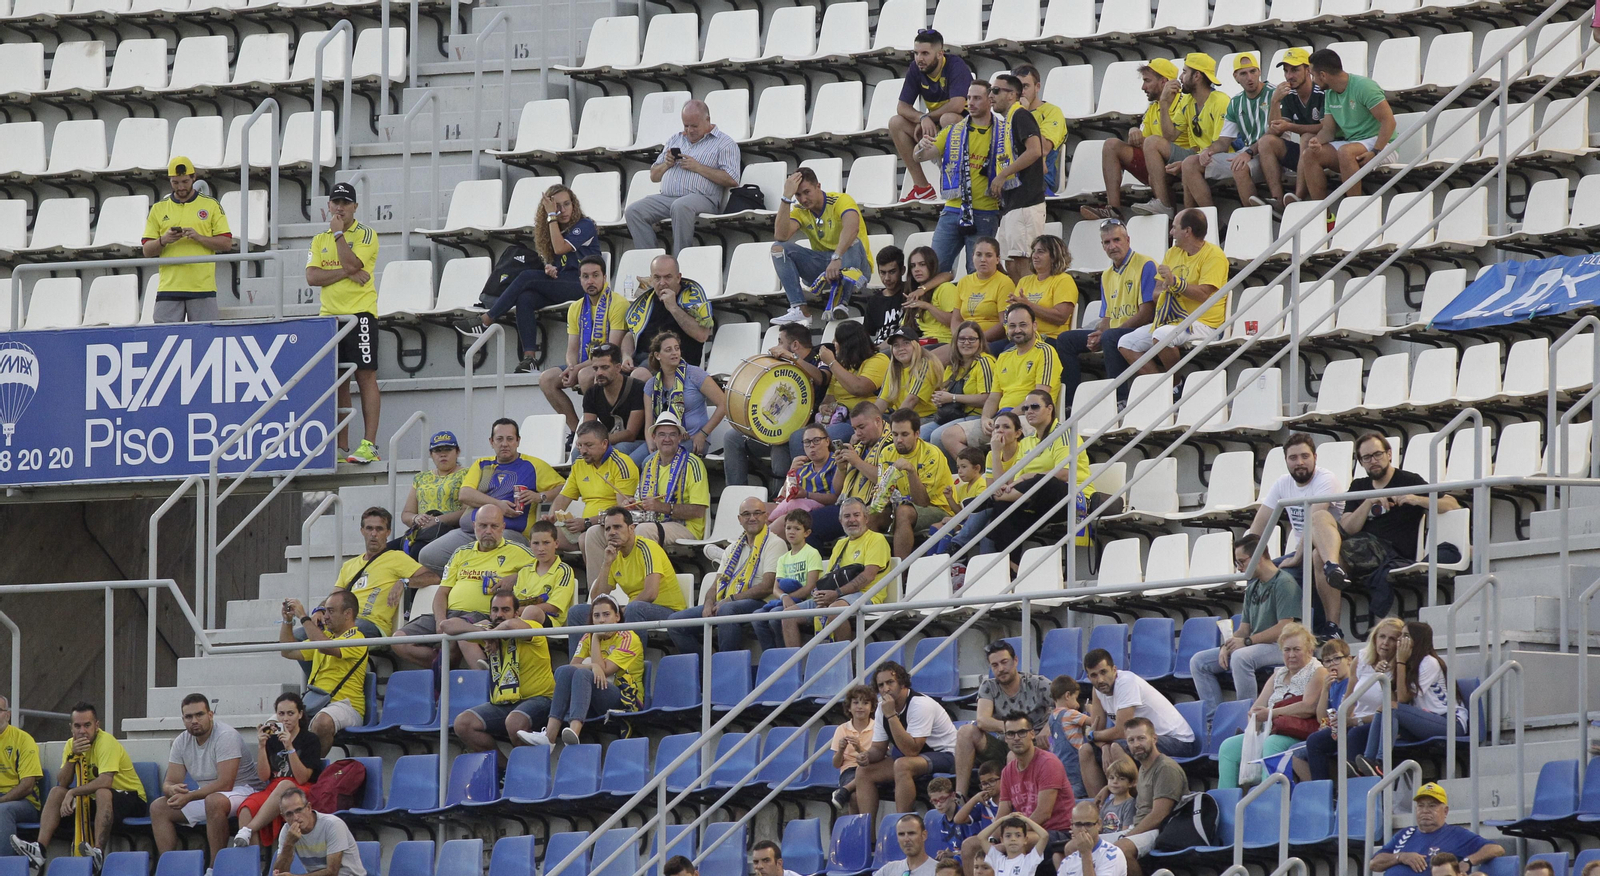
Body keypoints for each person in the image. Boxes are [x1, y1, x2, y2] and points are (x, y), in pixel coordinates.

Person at [1314, 431, 1458, 637]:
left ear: (1389, 454)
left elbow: (1452, 504)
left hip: (1391, 552)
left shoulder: (1408, 480)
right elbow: (1347, 527)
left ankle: (1331, 613)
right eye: (1366, 457)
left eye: (1377, 454)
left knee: (1317, 555)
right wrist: (1368, 502)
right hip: (1359, 547)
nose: (1373, 461)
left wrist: (1416, 499)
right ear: (1360, 462)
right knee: (1319, 518)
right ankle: (1333, 616)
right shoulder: (1359, 486)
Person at [477, 183, 601, 369]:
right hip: (565, 283)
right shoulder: (554, 230)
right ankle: (530, 359)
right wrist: (551, 268)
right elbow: (561, 261)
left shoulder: (585, 225)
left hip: (585, 284)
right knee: (525, 297)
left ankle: (486, 320)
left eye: (567, 204)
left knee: (527, 277)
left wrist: (551, 216)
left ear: (574, 205)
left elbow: (560, 248)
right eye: (557, 206)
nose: (563, 210)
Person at [393, 506, 534, 668]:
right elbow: (442, 592)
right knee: (399, 640)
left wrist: (516, 577)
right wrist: (440, 620)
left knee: (457, 631)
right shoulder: (461, 553)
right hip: (449, 615)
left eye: (494, 526)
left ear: (503, 527)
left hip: (481, 616)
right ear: (474, 526)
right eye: (483, 526)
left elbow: (545, 568)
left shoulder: (518, 551)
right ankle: (444, 665)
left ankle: (447, 671)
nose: (488, 531)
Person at [10, 703, 146, 871]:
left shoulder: (106, 742)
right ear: (71, 727)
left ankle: (97, 853)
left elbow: (105, 781)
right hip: (96, 802)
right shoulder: (71, 745)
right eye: (77, 726)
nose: (82, 731)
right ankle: (40, 849)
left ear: (97, 725)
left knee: (102, 792)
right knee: (57, 792)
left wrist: (73, 793)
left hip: (131, 798)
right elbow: (63, 782)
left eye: (87, 725)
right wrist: (72, 756)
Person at [418, 419, 564, 573]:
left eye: (510, 439)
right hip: (470, 532)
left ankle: (477, 576)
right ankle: (470, 576)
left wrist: (540, 497)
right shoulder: (482, 464)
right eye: (499, 439)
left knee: (495, 555)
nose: (504, 444)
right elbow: (465, 494)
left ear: (518, 441)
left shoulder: (533, 465)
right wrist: (498, 505)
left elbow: (564, 487)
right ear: (491, 442)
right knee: (428, 556)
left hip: (509, 533)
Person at [1189, 533, 1300, 726]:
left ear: (1259, 557)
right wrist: (1227, 646)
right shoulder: (1253, 587)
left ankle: (1247, 721)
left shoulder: (1284, 583)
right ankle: (1215, 723)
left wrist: (1246, 642)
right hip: (1256, 645)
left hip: (1282, 646)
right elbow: (1244, 628)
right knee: (1199, 662)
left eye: (1241, 561)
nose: (1239, 568)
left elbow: (1285, 628)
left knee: (1241, 657)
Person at [306, 182, 382, 464]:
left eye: (345, 203)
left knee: (365, 376)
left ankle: (370, 445)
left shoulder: (366, 234)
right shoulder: (318, 239)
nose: (340, 208)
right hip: (329, 317)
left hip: (360, 314)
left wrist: (339, 235)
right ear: (328, 205)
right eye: (336, 202)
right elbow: (312, 277)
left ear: (355, 207)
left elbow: (352, 265)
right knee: (338, 381)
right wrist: (347, 273)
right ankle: (341, 446)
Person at [582, 413, 709, 573]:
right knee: (594, 533)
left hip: (685, 527)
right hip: (651, 522)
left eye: (672, 434)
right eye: (662, 434)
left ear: (679, 438)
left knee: (642, 530)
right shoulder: (649, 463)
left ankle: (639, 583)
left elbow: (698, 511)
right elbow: (642, 502)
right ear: (654, 437)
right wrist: (632, 505)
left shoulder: (693, 464)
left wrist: (662, 507)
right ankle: (600, 588)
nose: (667, 439)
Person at [150, 694, 265, 863]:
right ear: (183, 719)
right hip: (209, 794)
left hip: (245, 790)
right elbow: (170, 781)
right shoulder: (181, 741)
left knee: (214, 801)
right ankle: (170, 866)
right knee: (158, 807)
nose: (194, 721)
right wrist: (171, 789)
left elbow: (226, 784)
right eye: (189, 717)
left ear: (210, 715)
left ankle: (214, 867)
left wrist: (189, 796)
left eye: (199, 715)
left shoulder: (226, 735)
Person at [1053, 221, 1156, 409]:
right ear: (1102, 246)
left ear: (1128, 240)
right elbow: (1107, 318)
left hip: (1141, 329)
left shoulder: (1145, 265)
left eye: (1117, 240)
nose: (1112, 246)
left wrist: (1107, 333)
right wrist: (1097, 334)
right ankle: (1070, 404)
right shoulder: (1107, 275)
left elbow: (1147, 313)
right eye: (1107, 242)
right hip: (1115, 331)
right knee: (1066, 340)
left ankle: (1118, 400)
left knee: (1110, 337)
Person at [1248, 432, 1344, 633]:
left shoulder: (1326, 479)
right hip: (1302, 551)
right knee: (1257, 573)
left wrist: (1296, 558)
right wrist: (1248, 558)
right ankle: (1261, 632)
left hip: (1331, 549)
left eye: (1305, 456)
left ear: (1315, 457)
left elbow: (1313, 525)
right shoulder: (1283, 483)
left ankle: (1324, 630)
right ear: (1286, 461)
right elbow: (1260, 523)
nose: (1299, 462)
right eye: (1293, 458)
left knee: (1298, 570)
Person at [1117, 208, 1228, 376]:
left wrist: (1175, 283)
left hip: (1204, 323)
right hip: (1172, 320)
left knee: (1161, 336)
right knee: (1126, 343)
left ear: (1187, 231)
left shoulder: (1214, 255)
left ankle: (1175, 382)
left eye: (1174, 227)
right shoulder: (1172, 253)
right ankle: (1160, 385)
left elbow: (1203, 294)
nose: (1171, 232)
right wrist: (1168, 289)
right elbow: (1156, 293)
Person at [1216, 623, 1326, 788]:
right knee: (1228, 747)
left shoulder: (1317, 671)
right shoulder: (1278, 674)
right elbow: (1257, 706)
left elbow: (1308, 707)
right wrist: (1254, 720)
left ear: (1309, 650)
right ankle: (1227, 801)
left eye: (1297, 649)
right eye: (1287, 650)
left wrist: (1270, 713)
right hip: (1270, 729)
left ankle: (1271, 798)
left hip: (1298, 731)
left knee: (1271, 743)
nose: (1291, 655)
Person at [668, 495, 783, 654]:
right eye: (746, 514)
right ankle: (703, 667)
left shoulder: (775, 543)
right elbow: (716, 584)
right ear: (739, 519)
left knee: (727, 609)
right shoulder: (732, 548)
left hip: (761, 602)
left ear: (766, 516)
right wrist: (708, 603)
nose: (752, 518)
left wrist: (731, 599)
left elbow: (767, 587)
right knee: (675, 623)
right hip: (728, 601)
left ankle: (727, 665)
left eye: (757, 513)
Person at [524, 594, 644, 745]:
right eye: (596, 616)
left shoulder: (628, 637)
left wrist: (596, 639)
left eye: (606, 614)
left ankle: (574, 732)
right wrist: (592, 665)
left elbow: (605, 670)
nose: (601, 620)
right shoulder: (588, 636)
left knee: (583, 674)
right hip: (595, 694)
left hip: (625, 699)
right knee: (563, 671)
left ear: (617, 617)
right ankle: (550, 736)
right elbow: (571, 666)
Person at [625, 100, 741, 254]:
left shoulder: (724, 143)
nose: (689, 130)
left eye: (694, 126)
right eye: (686, 125)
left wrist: (698, 167)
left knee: (680, 206)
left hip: (704, 198)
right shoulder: (675, 139)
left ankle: (681, 259)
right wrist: (666, 164)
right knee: (633, 211)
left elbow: (732, 179)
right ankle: (651, 261)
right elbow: (654, 176)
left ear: (707, 120)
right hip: (667, 197)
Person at [722, 322, 832, 485]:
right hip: (776, 427)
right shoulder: (782, 362)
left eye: (780, 341)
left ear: (795, 345)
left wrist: (793, 358)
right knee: (732, 438)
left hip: (802, 431)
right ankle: (736, 492)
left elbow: (822, 378)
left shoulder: (819, 357)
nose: (777, 346)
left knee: (780, 446)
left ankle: (779, 497)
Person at [959, 714, 1074, 868]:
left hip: (1057, 832)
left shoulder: (1048, 763)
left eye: (1022, 732)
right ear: (1005, 738)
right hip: (1024, 832)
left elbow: (1043, 813)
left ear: (1032, 734)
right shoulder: (1007, 772)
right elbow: (1002, 815)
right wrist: (993, 839)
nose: (1016, 738)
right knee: (969, 846)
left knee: (1013, 845)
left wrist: (1012, 835)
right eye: (1011, 734)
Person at [315, 508, 437, 653]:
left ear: (388, 532)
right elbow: (333, 596)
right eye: (369, 528)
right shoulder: (349, 565)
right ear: (362, 531)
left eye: (379, 529)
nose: (373, 534)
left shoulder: (396, 557)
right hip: (343, 622)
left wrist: (404, 582)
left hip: (372, 625)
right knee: (302, 635)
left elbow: (434, 577)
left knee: (340, 635)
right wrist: (320, 610)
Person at [851, 662, 959, 822]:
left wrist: (891, 715)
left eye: (890, 682)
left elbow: (912, 750)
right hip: (917, 757)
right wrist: (866, 756)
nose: (885, 689)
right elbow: (878, 749)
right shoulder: (882, 708)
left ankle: (903, 824)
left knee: (902, 765)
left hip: (947, 755)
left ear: (902, 683)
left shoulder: (920, 704)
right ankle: (868, 834)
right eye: (881, 685)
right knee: (864, 772)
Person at [1079, 649, 1197, 795]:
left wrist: (1093, 735)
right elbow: (1098, 729)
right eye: (1094, 675)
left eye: (1104, 672)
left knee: (1117, 747)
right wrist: (1103, 746)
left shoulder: (1126, 683)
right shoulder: (1097, 690)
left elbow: (1121, 732)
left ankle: (1138, 800)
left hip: (1177, 741)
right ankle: (1097, 807)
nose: (1100, 680)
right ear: (1088, 677)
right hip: (1140, 738)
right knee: (1086, 751)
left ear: (1114, 670)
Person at [567, 507, 689, 646]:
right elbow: (596, 598)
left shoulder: (647, 548)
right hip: (634, 608)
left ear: (631, 528)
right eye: (608, 529)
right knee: (576, 612)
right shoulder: (614, 555)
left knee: (634, 609)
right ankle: (579, 659)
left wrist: (621, 611)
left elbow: (650, 593)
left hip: (668, 611)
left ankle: (632, 658)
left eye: (617, 527)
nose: (612, 532)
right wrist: (606, 563)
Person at [1358, 622, 1467, 774]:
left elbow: (1402, 700)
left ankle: (1382, 763)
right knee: (1383, 709)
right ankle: (1368, 761)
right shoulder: (1409, 663)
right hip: (1426, 720)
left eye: (1406, 636)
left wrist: (1400, 661)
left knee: (1391, 708)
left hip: (1450, 722)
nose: (1400, 640)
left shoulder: (1429, 662)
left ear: (1417, 640)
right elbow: (1394, 701)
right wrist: (1382, 678)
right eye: (1400, 636)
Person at [452, 589, 553, 753]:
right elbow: (447, 625)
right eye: (495, 610)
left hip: (540, 699)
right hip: (504, 703)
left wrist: (492, 634)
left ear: (517, 613)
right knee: (463, 724)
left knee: (514, 723)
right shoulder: (488, 632)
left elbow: (511, 625)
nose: (499, 614)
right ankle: (503, 767)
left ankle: (528, 767)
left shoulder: (531, 626)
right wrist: (484, 633)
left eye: (505, 610)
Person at [1079, 59, 1181, 222]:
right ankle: (1113, 209)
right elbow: (1144, 142)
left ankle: (1167, 212)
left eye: (1147, 81)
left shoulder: (1184, 103)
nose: (1143, 87)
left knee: (1154, 160)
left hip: (1179, 165)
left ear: (1164, 82)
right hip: (1157, 165)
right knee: (1111, 145)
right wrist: (1134, 132)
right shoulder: (1152, 108)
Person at [914, 82, 999, 277]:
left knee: (978, 273)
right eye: (968, 98)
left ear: (989, 100)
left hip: (985, 210)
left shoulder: (1002, 132)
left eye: (977, 98)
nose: (970, 103)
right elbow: (920, 156)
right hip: (953, 209)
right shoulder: (954, 131)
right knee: (933, 269)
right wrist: (921, 146)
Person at [771, 168, 874, 325]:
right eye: (798, 195)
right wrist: (786, 197)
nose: (803, 199)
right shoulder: (800, 211)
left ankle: (841, 302)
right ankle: (800, 309)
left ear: (818, 186)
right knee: (778, 248)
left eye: (807, 192)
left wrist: (837, 257)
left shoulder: (840, 200)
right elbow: (780, 236)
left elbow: (852, 228)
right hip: (825, 270)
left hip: (855, 266)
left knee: (853, 241)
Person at [955, 641, 1053, 802]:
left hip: (1033, 743)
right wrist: (1012, 730)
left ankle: (1017, 803)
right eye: (995, 665)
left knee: (1014, 755)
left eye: (1004, 662)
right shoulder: (989, 686)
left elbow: (1068, 704)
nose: (1000, 668)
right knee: (966, 732)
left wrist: (1049, 726)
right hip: (1004, 742)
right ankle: (960, 797)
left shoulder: (1037, 683)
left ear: (1015, 660)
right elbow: (982, 720)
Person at [1133, 53, 1229, 217]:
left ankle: (1210, 221)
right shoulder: (1188, 101)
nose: (1180, 77)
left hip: (1221, 156)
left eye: (1184, 72)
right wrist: (1164, 103)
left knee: (1188, 165)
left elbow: (1221, 145)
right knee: (1154, 145)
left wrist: (1188, 161)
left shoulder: (1220, 101)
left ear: (1197, 76)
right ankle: (1171, 210)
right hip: (1198, 156)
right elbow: (1170, 136)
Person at [142, 155, 234, 323]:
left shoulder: (211, 205)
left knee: (204, 337)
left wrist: (198, 237)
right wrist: (164, 240)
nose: (181, 187)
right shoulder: (158, 208)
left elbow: (227, 243)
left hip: (202, 287)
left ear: (194, 178)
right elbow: (147, 251)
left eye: (185, 181)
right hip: (169, 287)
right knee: (165, 336)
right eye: (175, 182)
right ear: (170, 180)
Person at [539, 257, 628, 430]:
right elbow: (572, 349)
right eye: (585, 277)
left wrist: (577, 369)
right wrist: (571, 367)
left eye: (595, 275)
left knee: (585, 375)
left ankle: (602, 428)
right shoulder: (576, 308)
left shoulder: (618, 304)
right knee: (546, 379)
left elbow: (611, 350)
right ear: (580, 279)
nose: (590, 281)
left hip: (610, 363)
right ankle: (577, 432)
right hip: (583, 363)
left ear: (605, 277)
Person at [1299, 48, 1396, 200]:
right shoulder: (1329, 93)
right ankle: (1322, 212)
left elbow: (1389, 122)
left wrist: (1375, 152)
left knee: (1345, 152)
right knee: (1310, 154)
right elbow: (1328, 130)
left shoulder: (1364, 86)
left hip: (1383, 143)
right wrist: (1317, 141)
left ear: (1323, 75)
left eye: (1313, 75)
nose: (1313, 81)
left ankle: (1353, 209)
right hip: (1353, 143)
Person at [230, 693, 323, 850]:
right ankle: (251, 861)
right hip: (274, 788)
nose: (285, 719)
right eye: (281, 714)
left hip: (302, 789)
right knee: (246, 810)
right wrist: (261, 746)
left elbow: (302, 778)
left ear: (300, 714)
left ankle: (247, 830)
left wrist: (290, 748)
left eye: (290, 713)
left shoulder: (310, 739)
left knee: (286, 785)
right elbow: (264, 776)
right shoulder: (272, 740)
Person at [281, 590, 370, 752]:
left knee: (322, 722)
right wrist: (287, 621)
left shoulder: (357, 638)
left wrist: (304, 617)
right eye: (325, 611)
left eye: (331, 611)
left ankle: (313, 767)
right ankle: (284, 767)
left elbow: (325, 647)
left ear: (347, 614)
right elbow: (287, 651)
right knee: (274, 725)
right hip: (316, 702)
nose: (325, 616)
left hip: (347, 706)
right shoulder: (325, 637)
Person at [891, 29, 973, 204]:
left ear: (940, 54)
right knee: (896, 123)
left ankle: (957, 183)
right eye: (916, 53)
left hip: (964, 127)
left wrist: (929, 117)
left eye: (925, 53)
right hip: (935, 127)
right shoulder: (916, 68)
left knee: (948, 118)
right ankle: (922, 188)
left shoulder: (955, 65)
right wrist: (922, 118)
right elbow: (902, 107)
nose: (919, 58)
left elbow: (957, 105)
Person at [1294, 632, 1388, 782]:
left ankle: (1329, 786)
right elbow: (1321, 718)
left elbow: (1352, 713)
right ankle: (1322, 788)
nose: (1332, 664)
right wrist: (1325, 690)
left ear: (1349, 660)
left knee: (1312, 743)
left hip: (1352, 726)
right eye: (1327, 661)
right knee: (1298, 750)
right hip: (1338, 728)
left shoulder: (1352, 682)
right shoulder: (1331, 685)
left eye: (1337, 659)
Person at [1181, 54, 1273, 208]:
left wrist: (1248, 153)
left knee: (1239, 166)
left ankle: (1253, 215)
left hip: (1271, 155)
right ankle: (1209, 219)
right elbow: (1224, 141)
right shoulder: (1235, 102)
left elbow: (1276, 133)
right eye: (1243, 73)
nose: (1249, 78)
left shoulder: (1273, 92)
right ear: (1235, 77)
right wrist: (1208, 151)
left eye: (1253, 71)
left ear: (1259, 72)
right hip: (1246, 153)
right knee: (1190, 163)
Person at [1103, 718, 1186, 876]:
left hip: (1159, 830)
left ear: (1154, 738)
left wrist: (1128, 835)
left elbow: (1159, 815)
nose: (1136, 744)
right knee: (1079, 846)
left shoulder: (1165, 768)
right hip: (1139, 827)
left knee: (1120, 850)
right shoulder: (1143, 767)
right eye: (1131, 740)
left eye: (1141, 738)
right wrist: (1107, 789)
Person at [1367, 784, 1504, 876]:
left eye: (1432, 806)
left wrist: (1468, 861)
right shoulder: (1406, 833)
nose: (1425, 810)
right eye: (1421, 806)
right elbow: (1374, 864)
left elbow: (1496, 849)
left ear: (1445, 811)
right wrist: (1401, 857)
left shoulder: (1456, 834)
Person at [544, 420, 641, 551]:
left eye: (589, 445)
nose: (583, 451)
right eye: (580, 445)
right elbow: (563, 497)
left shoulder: (622, 464)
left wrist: (588, 522)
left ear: (604, 444)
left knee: (586, 538)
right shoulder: (579, 463)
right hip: (585, 526)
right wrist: (551, 518)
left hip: (612, 526)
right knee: (545, 536)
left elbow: (622, 511)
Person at [987, 74, 1047, 283]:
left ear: (1012, 95)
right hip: (1013, 204)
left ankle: (1027, 304)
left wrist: (1003, 175)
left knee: (1024, 262)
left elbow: (1035, 150)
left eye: (996, 91)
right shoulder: (1008, 122)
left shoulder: (1020, 116)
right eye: (990, 90)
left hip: (1026, 203)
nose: (991, 95)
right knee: (1011, 264)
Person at [873, 409, 956, 561]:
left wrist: (911, 471)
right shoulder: (886, 453)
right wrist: (879, 497)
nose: (899, 440)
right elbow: (883, 497)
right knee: (869, 514)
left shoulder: (932, 454)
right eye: (895, 434)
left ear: (917, 434)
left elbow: (922, 502)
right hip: (901, 506)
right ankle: (872, 566)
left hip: (939, 509)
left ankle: (902, 571)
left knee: (904, 512)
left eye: (904, 434)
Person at [808, 401, 891, 547]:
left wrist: (857, 462)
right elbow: (837, 491)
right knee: (804, 523)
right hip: (848, 505)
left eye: (861, 427)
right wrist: (841, 468)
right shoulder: (858, 446)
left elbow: (888, 480)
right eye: (854, 428)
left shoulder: (892, 443)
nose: (857, 433)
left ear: (878, 421)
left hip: (876, 506)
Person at [639, 330, 727, 462]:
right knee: (632, 461)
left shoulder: (695, 374)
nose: (674, 353)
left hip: (693, 439)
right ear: (657, 355)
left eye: (677, 348)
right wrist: (651, 443)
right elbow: (649, 424)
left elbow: (724, 404)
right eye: (668, 350)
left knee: (648, 462)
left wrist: (703, 434)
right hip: (661, 440)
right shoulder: (651, 385)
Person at [1254, 48, 1326, 207]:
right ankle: (1278, 200)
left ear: (1308, 70)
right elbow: (1275, 129)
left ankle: (1298, 196)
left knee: (1306, 137)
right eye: (1286, 71)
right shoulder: (1289, 94)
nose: (1289, 76)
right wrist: (1275, 101)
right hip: (1304, 153)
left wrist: (1291, 126)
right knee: (1266, 142)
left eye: (1295, 70)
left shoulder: (1321, 91)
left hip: (1325, 150)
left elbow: (1325, 127)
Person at [623, 255, 715, 369]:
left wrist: (673, 307)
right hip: (641, 360)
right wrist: (626, 356)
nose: (662, 283)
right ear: (651, 279)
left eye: (667, 277)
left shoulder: (693, 298)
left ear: (678, 277)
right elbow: (631, 334)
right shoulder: (646, 301)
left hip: (676, 366)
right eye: (657, 278)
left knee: (640, 374)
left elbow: (702, 335)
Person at [394, 431, 468, 559]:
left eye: (448, 449)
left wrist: (437, 521)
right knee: (382, 553)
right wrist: (416, 518)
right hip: (421, 532)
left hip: (450, 531)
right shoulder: (421, 478)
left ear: (457, 452)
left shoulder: (467, 474)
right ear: (431, 454)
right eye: (437, 450)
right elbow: (406, 514)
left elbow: (467, 512)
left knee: (418, 550)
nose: (443, 454)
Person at [927, 321, 995, 450]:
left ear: (980, 341)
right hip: (954, 415)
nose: (966, 343)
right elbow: (946, 393)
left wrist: (952, 398)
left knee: (937, 436)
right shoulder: (953, 365)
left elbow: (986, 398)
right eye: (962, 339)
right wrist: (940, 399)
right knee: (920, 434)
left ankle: (961, 463)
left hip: (976, 415)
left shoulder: (984, 362)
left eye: (972, 339)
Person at [991, 305, 1063, 425]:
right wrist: (985, 418)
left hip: (1030, 417)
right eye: (1012, 326)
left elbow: (1040, 396)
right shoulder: (1003, 356)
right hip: (1003, 417)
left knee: (1003, 431)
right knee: (955, 432)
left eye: (1023, 325)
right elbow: (993, 398)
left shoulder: (1045, 351)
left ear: (1034, 326)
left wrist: (1008, 417)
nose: (1017, 330)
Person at [768, 508, 828, 648]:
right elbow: (775, 588)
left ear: (807, 533)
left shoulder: (812, 553)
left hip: (807, 601)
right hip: (787, 601)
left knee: (775, 616)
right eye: (788, 528)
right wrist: (784, 597)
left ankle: (789, 655)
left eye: (797, 528)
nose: (791, 532)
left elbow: (810, 586)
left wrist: (789, 597)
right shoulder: (783, 558)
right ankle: (772, 653)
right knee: (758, 617)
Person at [270, 787, 365, 876]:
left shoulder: (332, 824)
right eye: (289, 814)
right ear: (283, 817)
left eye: (299, 810)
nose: (295, 817)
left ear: (309, 808)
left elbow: (332, 872)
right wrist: (289, 844)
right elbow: (279, 872)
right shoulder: (287, 831)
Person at [1006, 235, 1077, 349]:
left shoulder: (1064, 280)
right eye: (1034, 251)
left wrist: (1028, 305)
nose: (1035, 256)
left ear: (1054, 256)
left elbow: (1060, 317)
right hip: (1022, 337)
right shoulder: (1024, 281)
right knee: (991, 349)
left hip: (1050, 339)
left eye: (1041, 252)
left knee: (1007, 350)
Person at [581, 343, 648, 461]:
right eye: (595, 368)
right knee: (578, 452)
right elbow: (588, 428)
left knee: (619, 449)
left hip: (640, 443)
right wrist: (590, 442)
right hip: (607, 441)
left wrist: (598, 441)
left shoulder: (636, 388)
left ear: (618, 368)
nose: (599, 373)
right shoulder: (592, 393)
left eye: (605, 367)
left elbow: (631, 434)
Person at [765, 424, 840, 525]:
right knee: (760, 509)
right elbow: (783, 496)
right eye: (807, 442)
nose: (811, 445)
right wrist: (791, 471)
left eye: (816, 440)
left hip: (824, 512)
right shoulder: (803, 467)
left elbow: (835, 498)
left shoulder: (836, 462)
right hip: (798, 510)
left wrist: (807, 495)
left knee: (785, 517)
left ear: (827, 441)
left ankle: (767, 532)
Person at [513, 521, 580, 628]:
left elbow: (554, 607)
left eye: (546, 543)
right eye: (536, 543)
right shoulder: (524, 571)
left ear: (556, 543)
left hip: (550, 622)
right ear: (530, 544)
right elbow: (516, 601)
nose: (541, 548)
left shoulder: (564, 571)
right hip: (519, 619)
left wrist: (516, 611)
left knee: (532, 611)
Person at [1014, 65, 1067, 196]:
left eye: (1025, 86)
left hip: (1039, 181)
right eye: (1017, 87)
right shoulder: (1009, 113)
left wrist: (1023, 114)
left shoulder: (1052, 112)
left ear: (1037, 87)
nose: (1021, 92)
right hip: (1012, 176)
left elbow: (1042, 148)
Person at [0, 696, 41, 857]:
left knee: (3, 811)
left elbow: (27, 785)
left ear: (8, 715)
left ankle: (5, 867)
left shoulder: (23, 740)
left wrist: (2, 800)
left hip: (25, 802)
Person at [903, 245, 961, 352]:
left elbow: (955, 321)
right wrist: (876, 348)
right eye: (913, 266)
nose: (916, 269)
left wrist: (927, 306)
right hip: (920, 343)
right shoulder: (914, 293)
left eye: (922, 264)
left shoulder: (945, 288)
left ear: (931, 265)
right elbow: (903, 330)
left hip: (944, 342)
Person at [831, 684, 879, 811]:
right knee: (854, 796)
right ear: (849, 707)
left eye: (865, 703)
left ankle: (843, 791)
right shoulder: (842, 729)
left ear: (872, 707)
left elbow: (880, 756)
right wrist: (841, 750)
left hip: (871, 768)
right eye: (856, 703)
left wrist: (859, 749)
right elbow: (836, 764)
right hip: (849, 770)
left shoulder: (878, 728)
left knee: (857, 792)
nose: (860, 707)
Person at [877, 330, 943, 420]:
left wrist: (894, 424)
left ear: (916, 345)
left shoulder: (926, 364)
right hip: (901, 414)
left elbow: (912, 400)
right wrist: (870, 421)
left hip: (925, 417)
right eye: (896, 345)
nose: (901, 348)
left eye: (906, 343)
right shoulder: (893, 368)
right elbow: (883, 400)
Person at [1049, 675, 1093, 800]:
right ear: (1068, 695)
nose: (1078, 703)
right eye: (1076, 698)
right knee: (1078, 794)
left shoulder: (1052, 716)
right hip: (1074, 765)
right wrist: (1091, 709)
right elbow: (1094, 722)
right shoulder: (1070, 714)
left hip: (1060, 763)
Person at [1060, 800, 1129, 876]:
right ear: (1072, 825)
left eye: (1088, 824)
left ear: (1099, 824)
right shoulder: (1067, 862)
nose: (1083, 829)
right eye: (1078, 824)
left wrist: (1086, 854)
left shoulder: (1113, 854)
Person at [972, 814, 1049, 876]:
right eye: (1008, 836)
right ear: (1002, 840)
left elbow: (1044, 836)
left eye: (1018, 835)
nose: (1013, 839)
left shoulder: (1030, 860)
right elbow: (981, 837)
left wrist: (1026, 819)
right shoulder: (998, 860)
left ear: (1025, 840)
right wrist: (1002, 820)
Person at [865, 246, 911, 347]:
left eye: (892, 272)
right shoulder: (874, 301)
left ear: (902, 270)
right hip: (879, 348)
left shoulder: (911, 292)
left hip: (901, 347)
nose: (887, 278)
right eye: (882, 272)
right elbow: (867, 333)